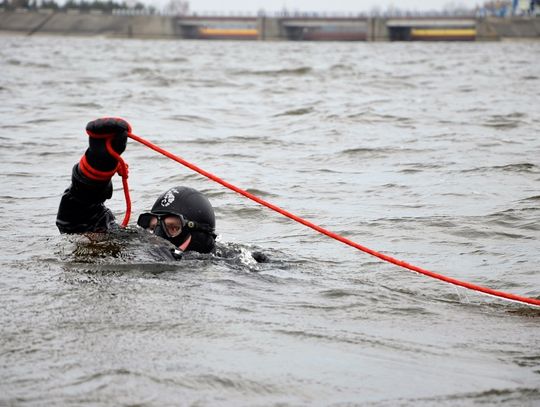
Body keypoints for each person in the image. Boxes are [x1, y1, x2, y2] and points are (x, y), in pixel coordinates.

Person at [56, 117, 217, 259]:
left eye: (173, 228)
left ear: (200, 238)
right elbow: (78, 223)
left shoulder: (228, 267)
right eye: (152, 227)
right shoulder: (135, 244)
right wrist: (98, 166)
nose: (156, 237)